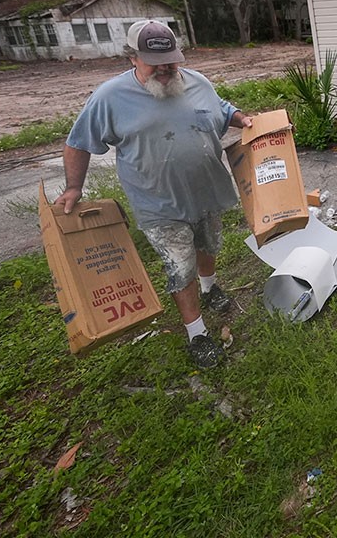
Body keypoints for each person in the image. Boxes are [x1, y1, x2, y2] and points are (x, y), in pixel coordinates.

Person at [55, 20, 251, 369]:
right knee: (180, 265)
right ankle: (197, 333)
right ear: (132, 58)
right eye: (153, 62)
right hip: (158, 204)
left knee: (206, 245)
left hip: (205, 191)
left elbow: (220, 108)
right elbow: (77, 143)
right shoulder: (109, 98)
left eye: (170, 61)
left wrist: (244, 119)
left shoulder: (196, 82)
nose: (164, 69)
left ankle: (210, 287)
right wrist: (73, 187)